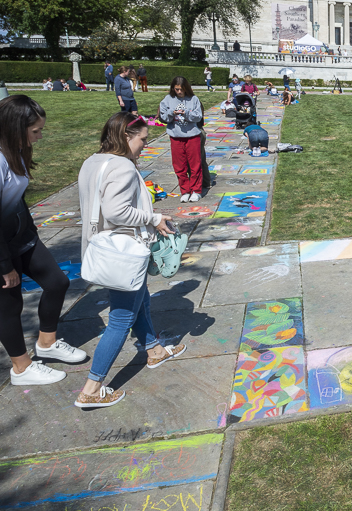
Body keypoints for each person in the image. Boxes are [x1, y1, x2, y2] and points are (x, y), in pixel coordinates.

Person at [75, 113, 184, 408]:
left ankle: (154, 350)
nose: (145, 145)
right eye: (143, 140)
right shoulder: (122, 166)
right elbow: (116, 211)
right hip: (123, 252)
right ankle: (92, 388)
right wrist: (154, 217)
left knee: (141, 298)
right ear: (126, 135)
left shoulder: (92, 161)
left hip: (104, 249)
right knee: (121, 319)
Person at [0, 96, 84, 387]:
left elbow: (16, 200)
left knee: (57, 282)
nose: (40, 136)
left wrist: (30, 231)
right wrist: (5, 265)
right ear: (15, 127)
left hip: (22, 238)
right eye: (35, 131)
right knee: (9, 305)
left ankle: (47, 343)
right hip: (2, 249)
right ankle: (21, 368)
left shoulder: (16, 152)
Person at [159, 77, 203, 203]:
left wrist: (186, 113)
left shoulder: (193, 99)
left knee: (195, 164)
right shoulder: (168, 99)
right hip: (176, 136)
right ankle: (185, 191)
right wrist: (172, 113)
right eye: (177, 89)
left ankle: (196, 190)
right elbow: (163, 117)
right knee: (179, 166)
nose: (179, 92)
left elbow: (198, 116)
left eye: (181, 89)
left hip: (192, 136)